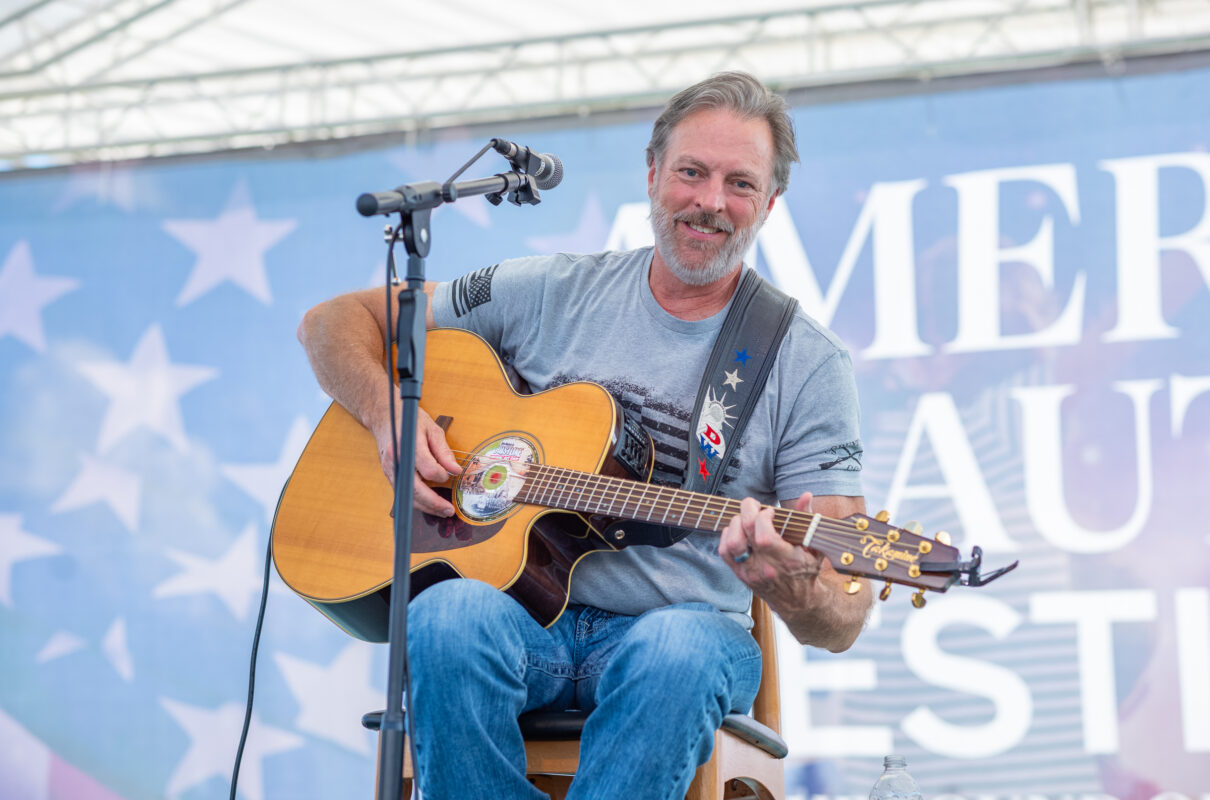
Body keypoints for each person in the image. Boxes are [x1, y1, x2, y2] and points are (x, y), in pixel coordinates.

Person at [298, 71, 872, 800]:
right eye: (691, 172)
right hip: (523, 620)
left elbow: (844, 615)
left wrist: (788, 582)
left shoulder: (805, 361)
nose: (710, 202)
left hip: (680, 633)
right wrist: (390, 418)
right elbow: (331, 322)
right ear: (653, 171)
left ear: (770, 202)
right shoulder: (548, 290)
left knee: (678, 649)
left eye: (740, 183)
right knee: (443, 615)